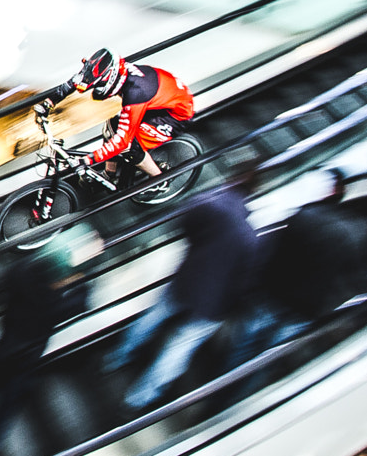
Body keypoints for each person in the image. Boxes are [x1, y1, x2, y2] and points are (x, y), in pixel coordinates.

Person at [105, 165, 259, 409]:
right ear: (250, 194)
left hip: (186, 279)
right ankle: (139, 398)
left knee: (152, 316)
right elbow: (243, 280)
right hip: (212, 305)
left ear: (231, 180)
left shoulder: (208, 203)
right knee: (178, 348)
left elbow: (187, 226)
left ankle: (117, 357)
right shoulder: (250, 237)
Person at [0, 226, 93, 456]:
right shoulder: (58, 302)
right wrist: (81, 282)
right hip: (26, 354)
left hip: (6, 341)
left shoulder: (22, 271)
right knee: (7, 408)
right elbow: (81, 305)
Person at [237, 169, 367, 356]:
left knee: (242, 349)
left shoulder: (305, 215)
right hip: (305, 311)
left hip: (270, 299)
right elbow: (358, 280)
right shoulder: (360, 231)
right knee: (268, 357)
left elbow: (270, 254)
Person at [70, 48, 196, 181]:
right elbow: (80, 80)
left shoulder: (136, 94)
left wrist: (87, 160)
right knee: (112, 124)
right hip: (163, 102)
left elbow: (122, 142)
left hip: (176, 116)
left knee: (130, 148)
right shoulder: (120, 70)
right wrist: (51, 101)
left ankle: (160, 180)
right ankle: (109, 175)